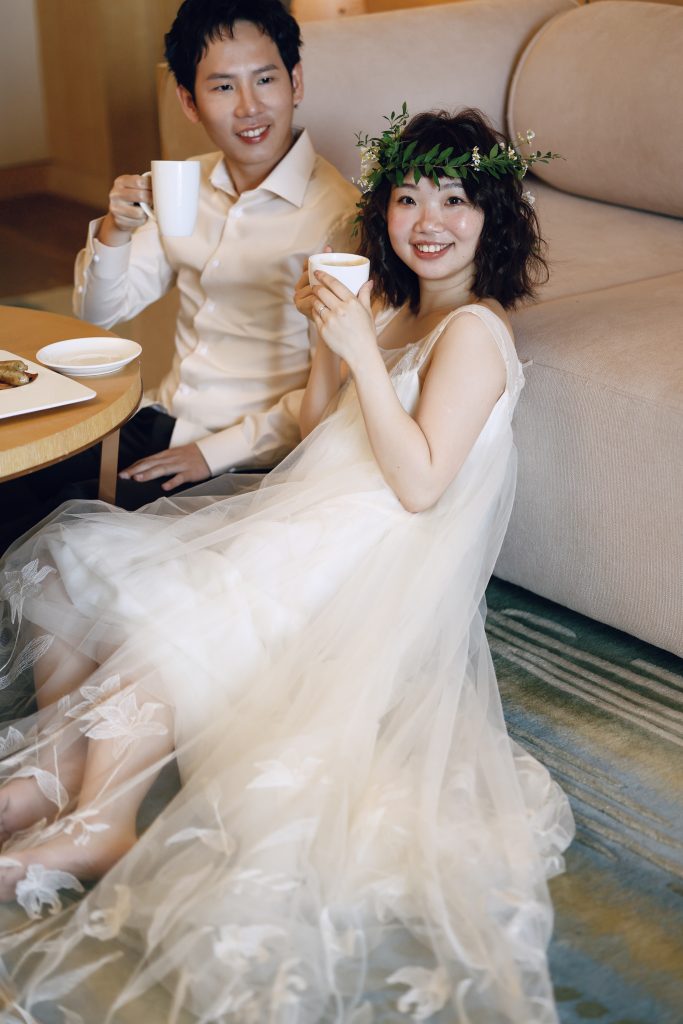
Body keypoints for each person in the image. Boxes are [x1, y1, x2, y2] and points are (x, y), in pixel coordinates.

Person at [0, 107, 573, 1023]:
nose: (428, 220)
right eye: (407, 198)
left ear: (492, 217)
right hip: (312, 512)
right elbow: (318, 433)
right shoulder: (395, 308)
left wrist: (360, 356)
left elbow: (420, 484)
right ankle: (69, 779)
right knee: (71, 563)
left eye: (454, 201)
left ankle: (100, 814)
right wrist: (327, 344)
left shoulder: (473, 331)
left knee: (174, 610)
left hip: (366, 552)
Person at [0, 0, 358, 552]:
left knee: (55, 533)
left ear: (296, 81)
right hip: (156, 420)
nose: (249, 107)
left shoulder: (338, 215)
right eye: (223, 87)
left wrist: (212, 454)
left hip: (248, 456)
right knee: (14, 483)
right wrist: (116, 232)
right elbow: (99, 314)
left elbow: (338, 389)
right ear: (189, 102)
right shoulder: (186, 184)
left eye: (265, 79)